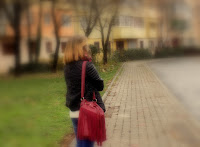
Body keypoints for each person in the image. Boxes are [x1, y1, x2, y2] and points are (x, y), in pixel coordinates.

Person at [63, 36, 106, 147]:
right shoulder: (87, 65)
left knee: (80, 143)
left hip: (74, 111)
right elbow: (100, 85)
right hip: (87, 111)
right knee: (86, 145)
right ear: (81, 48)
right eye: (85, 45)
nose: (87, 48)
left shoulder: (67, 66)